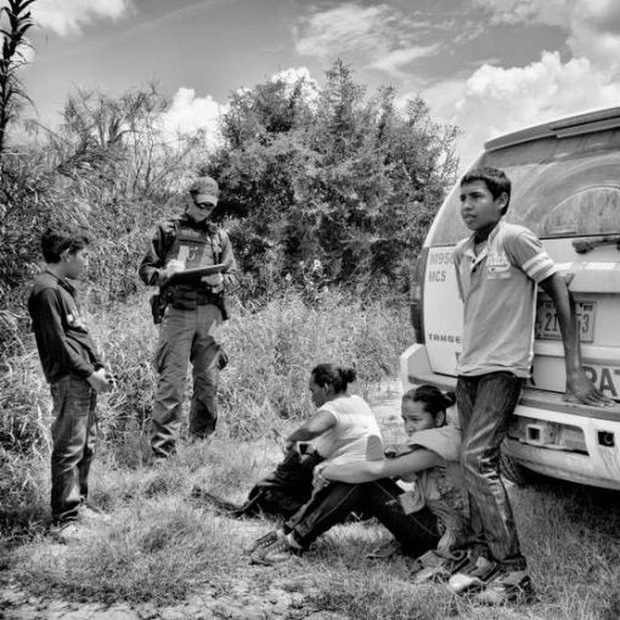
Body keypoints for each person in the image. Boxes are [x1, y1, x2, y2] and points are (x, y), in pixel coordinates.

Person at [450, 166, 611, 604]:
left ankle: (514, 574)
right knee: (470, 462)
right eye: (463, 198)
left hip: (504, 368)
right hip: (469, 368)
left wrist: (574, 371)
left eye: (476, 197)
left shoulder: (515, 239)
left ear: (501, 201)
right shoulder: (462, 251)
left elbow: (560, 292)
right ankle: (483, 557)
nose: (467, 206)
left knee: (477, 459)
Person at [250, 384, 466, 568]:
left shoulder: (440, 446)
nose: (409, 427)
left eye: (416, 420)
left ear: (439, 417)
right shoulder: (431, 439)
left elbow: (375, 471)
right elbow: (380, 470)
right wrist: (339, 472)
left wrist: (328, 470)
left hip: (439, 534)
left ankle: (295, 541)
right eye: (405, 419)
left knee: (363, 482)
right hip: (427, 522)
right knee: (355, 479)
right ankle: (287, 533)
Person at [139, 176, 238, 459]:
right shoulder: (168, 230)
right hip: (177, 314)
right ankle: (163, 453)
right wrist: (165, 273)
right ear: (190, 199)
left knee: (208, 382)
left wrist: (221, 280)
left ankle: (200, 447)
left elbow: (233, 275)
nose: (205, 210)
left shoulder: (219, 237)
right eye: (201, 204)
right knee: (172, 383)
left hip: (210, 316)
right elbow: (145, 271)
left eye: (211, 206)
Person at [248, 363, 386, 562]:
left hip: (354, 477)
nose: (312, 397)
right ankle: (285, 531)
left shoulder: (335, 406)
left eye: (313, 391)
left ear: (326, 387)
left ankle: (292, 537)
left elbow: (311, 430)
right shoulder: (357, 401)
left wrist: (291, 439)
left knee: (273, 492)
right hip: (363, 473)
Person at [28, 225, 113, 540]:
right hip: (70, 379)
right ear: (66, 254)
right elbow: (57, 345)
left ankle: (79, 504)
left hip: (84, 378)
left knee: (85, 445)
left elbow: (77, 336)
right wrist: (88, 373)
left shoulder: (61, 288)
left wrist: (98, 367)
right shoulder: (47, 290)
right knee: (69, 448)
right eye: (84, 255)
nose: (87, 262)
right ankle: (64, 520)